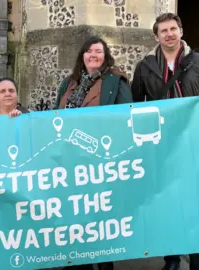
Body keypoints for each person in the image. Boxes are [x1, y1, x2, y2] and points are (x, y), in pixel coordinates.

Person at [131, 13, 199, 270]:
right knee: (166, 202)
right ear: (156, 36)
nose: (169, 34)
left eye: (173, 29)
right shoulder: (146, 65)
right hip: (161, 145)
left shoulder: (197, 61)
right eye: (163, 30)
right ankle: (171, 259)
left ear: (181, 31)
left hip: (193, 142)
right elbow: (133, 104)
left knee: (193, 203)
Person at [54, 35, 132, 270]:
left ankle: (104, 264)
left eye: (98, 51)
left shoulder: (116, 81)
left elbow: (124, 117)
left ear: (105, 55)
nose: (93, 55)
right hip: (69, 159)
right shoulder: (69, 82)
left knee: (99, 216)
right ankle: (77, 262)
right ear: (82, 56)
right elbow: (54, 117)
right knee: (74, 215)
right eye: (88, 51)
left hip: (99, 159)